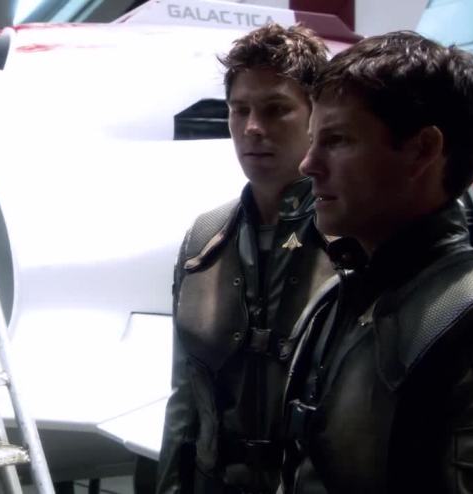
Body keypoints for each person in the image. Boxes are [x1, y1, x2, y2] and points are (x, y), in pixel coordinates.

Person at [282, 31, 473, 493]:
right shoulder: (334, 300)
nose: (308, 164)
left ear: (422, 150)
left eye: (337, 139)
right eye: (313, 140)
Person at [156, 24, 334, 494]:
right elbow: (185, 396)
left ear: (316, 116)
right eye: (240, 110)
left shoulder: (353, 237)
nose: (253, 127)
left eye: (276, 109)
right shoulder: (204, 240)